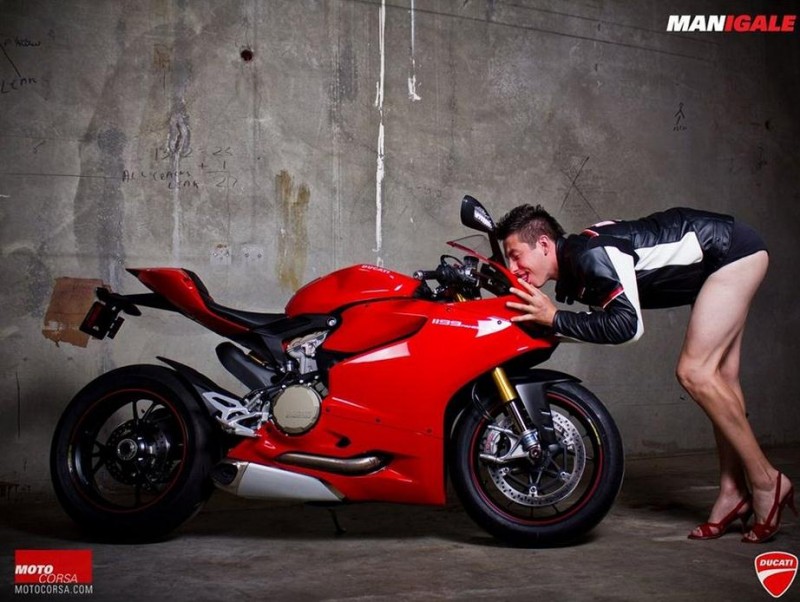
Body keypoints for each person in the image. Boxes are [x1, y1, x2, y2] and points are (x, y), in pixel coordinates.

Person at [497, 204, 794, 543]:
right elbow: (600, 324)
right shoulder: (578, 263)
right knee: (722, 380)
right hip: (715, 262)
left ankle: (767, 481)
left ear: (544, 244)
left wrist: (555, 319)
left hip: (731, 252)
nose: (513, 268)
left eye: (516, 256)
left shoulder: (590, 254)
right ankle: (733, 492)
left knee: (695, 373)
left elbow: (627, 326)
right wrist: (548, 325)